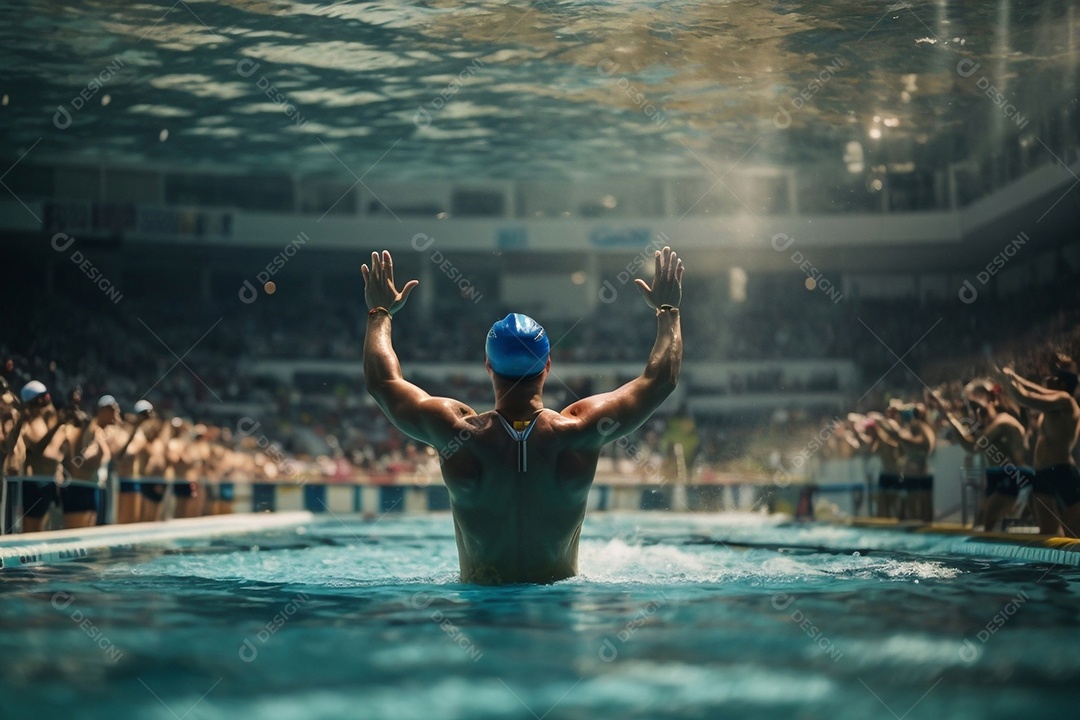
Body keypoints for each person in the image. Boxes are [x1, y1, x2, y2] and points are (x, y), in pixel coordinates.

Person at [362, 246, 683, 584]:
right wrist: (668, 310)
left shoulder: (456, 432)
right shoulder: (580, 430)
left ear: (488, 366)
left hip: (482, 611)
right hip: (554, 613)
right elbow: (660, 380)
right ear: (547, 365)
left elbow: (382, 382)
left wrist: (380, 312)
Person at [994, 355, 1080, 536]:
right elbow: (1035, 390)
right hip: (1042, 474)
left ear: (1063, 385)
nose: (1048, 380)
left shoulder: (1066, 401)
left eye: (1055, 378)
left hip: (1062, 473)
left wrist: (1006, 380)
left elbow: (1026, 398)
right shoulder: (1053, 406)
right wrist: (1015, 378)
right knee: (1048, 534)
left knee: (1075, 535)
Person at [934, 381, 1030, 532]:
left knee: (986, 524)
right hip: (997, 476)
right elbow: (971, 444)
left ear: (989, 401)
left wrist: (951, 418)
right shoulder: (989, 425)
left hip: (1013, 476)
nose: (973, 411)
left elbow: (974, 447)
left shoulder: (1002, 421)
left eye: (974, 405)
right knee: (980, 524)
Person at [880, 402, 936, 521]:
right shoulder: (922, 428)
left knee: (916, 508)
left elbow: (916, 444)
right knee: (919, 507)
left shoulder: (918, 427)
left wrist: (883, 423)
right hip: (920, 472)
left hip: (916, 474)